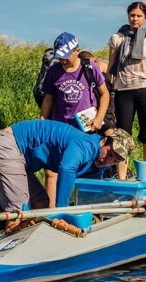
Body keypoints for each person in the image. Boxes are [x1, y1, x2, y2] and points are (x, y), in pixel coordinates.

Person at [0, 119, 134, 211]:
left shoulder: (99, 165)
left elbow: (90, 196)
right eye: (109, 153)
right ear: (103, 141)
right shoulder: (85, 145)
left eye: (115, 160)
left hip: (21, 157)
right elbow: (67, 168)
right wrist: (61, 211)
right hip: (9, 144)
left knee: (42, 204)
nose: (108, 160)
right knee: (19, 212)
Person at [39, 32, 110, 205]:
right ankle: (51, 212)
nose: (63, 60)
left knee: (86, 167)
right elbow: (48, 99)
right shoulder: (53, 71)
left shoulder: (89, 68)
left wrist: (99, 118)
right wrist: (42, 122)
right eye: (60, 57)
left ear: (76, 50)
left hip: (84, 127)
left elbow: (104, 94)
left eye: (66, 56)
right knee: (51, 171)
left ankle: (85, 206)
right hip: (60, 126)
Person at [107, 1, 146, 179]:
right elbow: (110, 67)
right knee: (123, 136)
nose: (135, 19)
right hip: (123, 91)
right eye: (132, 15)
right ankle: (122, 179)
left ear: (145, 18)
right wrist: (109, 92)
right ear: (127, 16)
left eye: (139, 15)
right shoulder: (117, 38)